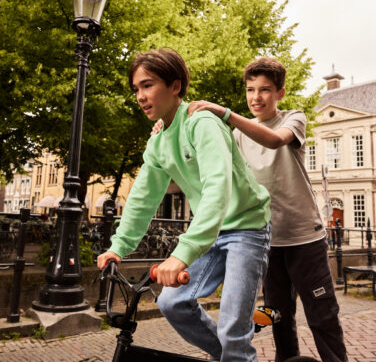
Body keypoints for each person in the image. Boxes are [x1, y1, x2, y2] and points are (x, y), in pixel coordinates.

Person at [97, 48, 272, 362]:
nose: (140, 96)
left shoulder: (201, 123)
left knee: (233, 327)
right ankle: (232, 357)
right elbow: (143, 197)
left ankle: (234, 353)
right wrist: (119, 246)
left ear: (175, 86)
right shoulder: (158, 141)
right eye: (136, 89)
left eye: (148, 85)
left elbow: (218, 187)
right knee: (171, 303)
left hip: (247, 227)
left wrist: (182, 254)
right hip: (213, 232)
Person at [185, 57, 348, 362]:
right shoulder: (236, 135)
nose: (256, 97)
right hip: (265, 240)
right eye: (250, 90)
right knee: (278, 318)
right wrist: (168, 126)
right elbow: (201, 158)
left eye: (265, 90)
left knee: (322, 316)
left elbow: (274, 141)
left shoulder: (293, 118)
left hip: (304, 237)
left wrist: (224, 113)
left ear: (280, 93)